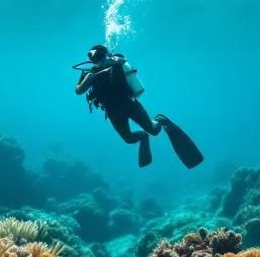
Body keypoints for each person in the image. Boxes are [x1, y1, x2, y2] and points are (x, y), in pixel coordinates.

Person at [75, 44, 203, 169]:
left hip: (130, 104)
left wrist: (113, 62)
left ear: (106, 55)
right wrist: (91, 77)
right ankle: (143, 136)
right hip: (113, 112)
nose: (98, 62)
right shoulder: (88, 73)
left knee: (154, 130)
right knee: (128, 139)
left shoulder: (116, 61)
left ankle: (160, 120)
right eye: (94, 59)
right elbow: (78, 91)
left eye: (100, 57)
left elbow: (122, 59)